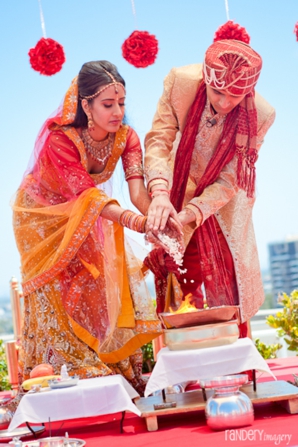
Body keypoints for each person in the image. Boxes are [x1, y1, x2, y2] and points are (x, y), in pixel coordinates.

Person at [12, 60, 162, 395]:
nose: (117, 112)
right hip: (41, 219)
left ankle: (109, 368)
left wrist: (158, 219)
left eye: (121, 103)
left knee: (96, 282)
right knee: (53, 290)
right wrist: (136, 222)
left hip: (90, 212)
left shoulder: (126, 138)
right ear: (85, 105)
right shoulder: (60, 140)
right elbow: (87, 193)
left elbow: (137, 192)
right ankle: (64, 372)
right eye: (108, 105)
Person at [144, 21, 276, 336]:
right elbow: (158, 141)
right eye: (218, 91)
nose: (225, 102)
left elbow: (231, 180)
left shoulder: (260, 113)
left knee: (231, 289)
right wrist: (160, 193)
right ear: (205, 77)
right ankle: (188, 375)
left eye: (236, 95)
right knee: (181, 285)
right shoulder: (181, 83)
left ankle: (236, 376)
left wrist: (192, 214)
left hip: (224, 209)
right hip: (174, 194)